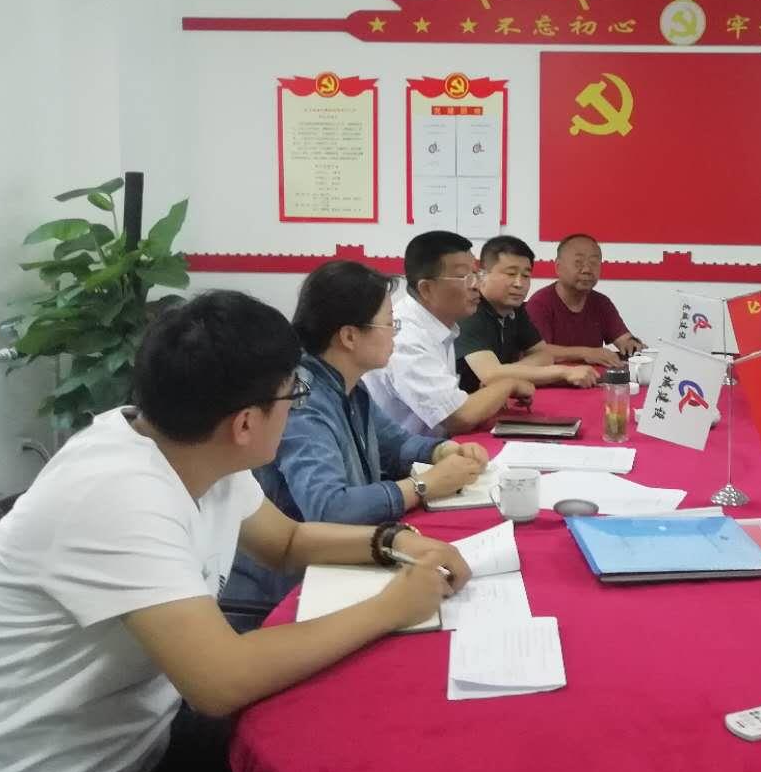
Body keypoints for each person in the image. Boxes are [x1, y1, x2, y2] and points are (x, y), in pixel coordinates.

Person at [0, 291, 470, 772]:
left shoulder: (192, 447)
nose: (296, 406)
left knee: (345, 750)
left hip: (130, 744)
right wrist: (392, 606)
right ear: (245, 423)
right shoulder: (119, 493)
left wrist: (393, 541)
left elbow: (287, 540)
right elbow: (221, 679)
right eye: (292, 393)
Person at [224, 260, 490, 608]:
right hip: (288, 592)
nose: (395, 333)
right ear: (349, 336)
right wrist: (423, 485)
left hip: (341, 562)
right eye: (389, 323)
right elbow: (329, 508)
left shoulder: (347, 385)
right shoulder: (301, 401)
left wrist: (442, 451)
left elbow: (396, 444)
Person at [363, 231, 534, 438]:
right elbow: (459, 417)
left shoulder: (441, 324)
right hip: (405, 456)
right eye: (464, 277)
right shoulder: (406, 339)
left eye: (476, 274)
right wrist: (508, 384)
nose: (475, 285)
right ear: (427, 288)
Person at [457, 235, 606, 393]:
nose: (519, 284)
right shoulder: (469, 310)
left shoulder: (515, 308)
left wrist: (506, 373)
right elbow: (490, 374)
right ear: (482, 275)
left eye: (526, 276)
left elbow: (544, 355)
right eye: (511, 274)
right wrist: (563, 372)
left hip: (498, 399)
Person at [524, 233, 643, 360]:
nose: (587, 270)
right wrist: (586, 353)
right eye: (578, 262)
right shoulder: (540, 304)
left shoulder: (601, 303)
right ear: (558, 267)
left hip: (593, 373)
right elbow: (537, 352)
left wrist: (631, 344)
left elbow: (624, 339)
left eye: (593, 263)